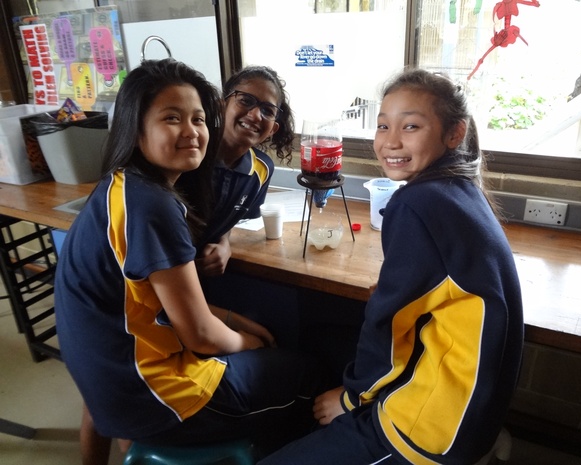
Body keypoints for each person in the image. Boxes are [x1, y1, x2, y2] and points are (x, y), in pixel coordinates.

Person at [54, 59, 324, 464]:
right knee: (307, 375)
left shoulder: (124, 184)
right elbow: (198, 334)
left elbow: (156, 301)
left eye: (197, 119)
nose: (191, 131)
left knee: (259, 346)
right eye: (171, 118)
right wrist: (247, 343)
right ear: (136, 126)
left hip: (110, 371)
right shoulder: (154, 205)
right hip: (148, 393)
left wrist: (233, 319)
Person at [258, 69, 524, 464]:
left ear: (455, 133)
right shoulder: (460, 189)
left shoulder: (417, 204)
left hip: (429, 430)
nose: (391, 141)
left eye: (411, 126)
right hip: (478, 404)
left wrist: (350, 399)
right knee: (325, 338)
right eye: (383, 126)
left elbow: (389, 322)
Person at [176, 65, 295, 277]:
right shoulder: (187, 153)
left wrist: (224, 243)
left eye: (267, 111)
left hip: (204, 278)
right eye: (246, 100)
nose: (255, 115)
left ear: (272, 129)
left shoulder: (261, 170)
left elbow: (229, 216)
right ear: (221, 105)